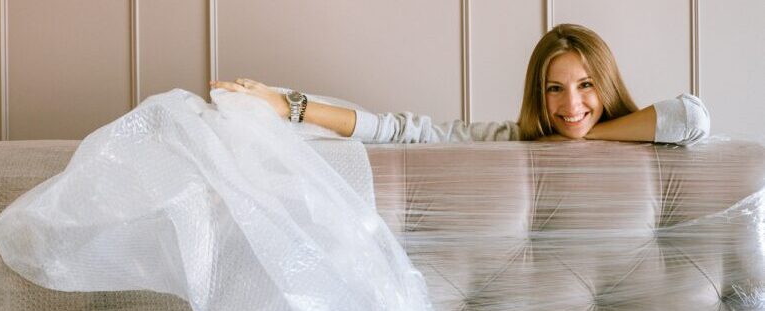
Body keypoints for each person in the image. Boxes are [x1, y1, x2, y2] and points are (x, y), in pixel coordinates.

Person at [212, 23, 710, 146]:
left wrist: (581, 140)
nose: (571, 103)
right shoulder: (510, 142)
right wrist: (289, 106)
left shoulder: (645, 138)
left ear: (606, 83)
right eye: (554, 89)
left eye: (585, 85)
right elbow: (398, 130)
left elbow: (693, 118)